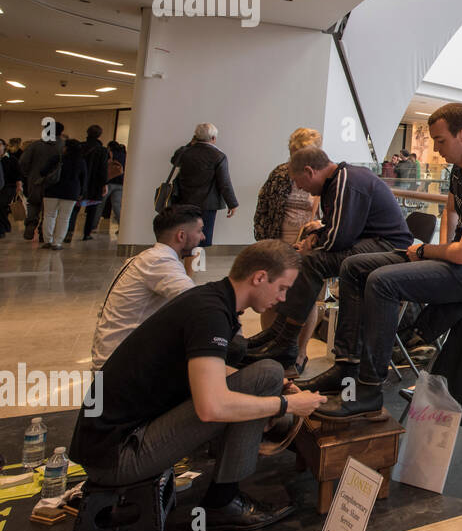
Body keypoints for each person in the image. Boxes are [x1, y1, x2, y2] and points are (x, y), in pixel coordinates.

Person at [68, 241, 325, 531]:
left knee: (266, 375)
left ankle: (224, 494)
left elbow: (209, 367)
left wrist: (276, 386)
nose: (282, 298)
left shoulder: (212, 300)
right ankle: (223, 501)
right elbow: (211, 407)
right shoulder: (211, 315)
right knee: (259, 379)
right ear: (259, 277)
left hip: (108, 443)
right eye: (282, 288)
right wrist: (287, 405)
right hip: (117, 457)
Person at [308, 103, 462, 418]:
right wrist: (442, 249)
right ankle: (347, 366)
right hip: (461, 262)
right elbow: (449, 211)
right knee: (352, 268)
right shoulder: (460, 170)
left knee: (382, 282)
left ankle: (368, 389)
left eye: (440, 140)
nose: (435, 148)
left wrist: (427, 252)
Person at [243, 145, 413, 373]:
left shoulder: (345, 181)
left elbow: (338, 238)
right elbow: (336, 230)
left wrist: (315, 241)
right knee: (309, 260)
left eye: (298, 181)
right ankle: (282, 336)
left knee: (311, 262)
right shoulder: (339, 181)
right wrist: (315, 237)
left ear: (309, 171)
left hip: (389, 247)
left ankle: (285, 339)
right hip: (377, 242)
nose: (300, 188)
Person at [90, 205, 204, 369]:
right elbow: (197, 302)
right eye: (199, 231)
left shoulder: (148, 257)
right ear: (181, 235)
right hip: (120, 366)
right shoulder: (160, 261)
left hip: (116, 356)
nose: (203, 237)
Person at [251, 127, 324, 372]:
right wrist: (263, 244)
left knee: (307, 298)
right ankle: (271, 346)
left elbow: (332, 216)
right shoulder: (281, 174)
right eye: (295, 152)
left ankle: (300, 353)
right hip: (278, 242)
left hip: (310, 246)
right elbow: (262, 209)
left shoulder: (324, 177)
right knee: (271, 298)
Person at [170, 123, 238, 249]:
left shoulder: (185, 152)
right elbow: (224, 182)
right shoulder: (219, 156)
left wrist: (190, 144)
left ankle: (186, 267)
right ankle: (192, 268)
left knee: (185, 237)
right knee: (200, 239)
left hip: (183, 201)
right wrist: (232, 203)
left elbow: (174, 161)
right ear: (213, 138)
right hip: (207, 205)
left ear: (195, 137)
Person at [19, 122, 64, 240]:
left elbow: (23, 162)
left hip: (35, 180)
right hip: (55, 182)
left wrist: (28, 174)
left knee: (33, 203)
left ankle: (30, 224)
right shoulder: (63, 146)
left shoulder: (35, 145)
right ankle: (44, 232)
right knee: (49, 210)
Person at [67, 124, 111, 242]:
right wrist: (104, 184)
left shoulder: (80, 147)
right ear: (99, 135)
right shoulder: (102, 150)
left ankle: (69, 232)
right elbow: (103, 169)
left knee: (74, 209)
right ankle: (87, 233)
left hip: (79, 182)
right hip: (94, 184)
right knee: (92, 210)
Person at [42, 137, 86, 250]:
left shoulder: (56, 159)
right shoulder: (81, 161)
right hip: (71, 192)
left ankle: (48, 240)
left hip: (52, 191)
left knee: (49, 215)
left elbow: (42, 172)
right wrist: (81, 193)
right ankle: (57, 243)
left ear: (66, 148)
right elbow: (84, 179)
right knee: (64, 218)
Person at [0, 137, 22, 238]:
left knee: (2, 206)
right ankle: (5, 226)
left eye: (0, 144)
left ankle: (2, 229)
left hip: (8, 187)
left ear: (4, 146)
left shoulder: (11, 159)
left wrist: (19, 186)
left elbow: (18, 174)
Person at [103, 140, 126, 234]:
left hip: (109, 181)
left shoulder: (110, 154)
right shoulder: (126, 155)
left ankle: (92, 226)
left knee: (100, 203)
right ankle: (122, 226)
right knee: (117, 206)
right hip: (121, 183)